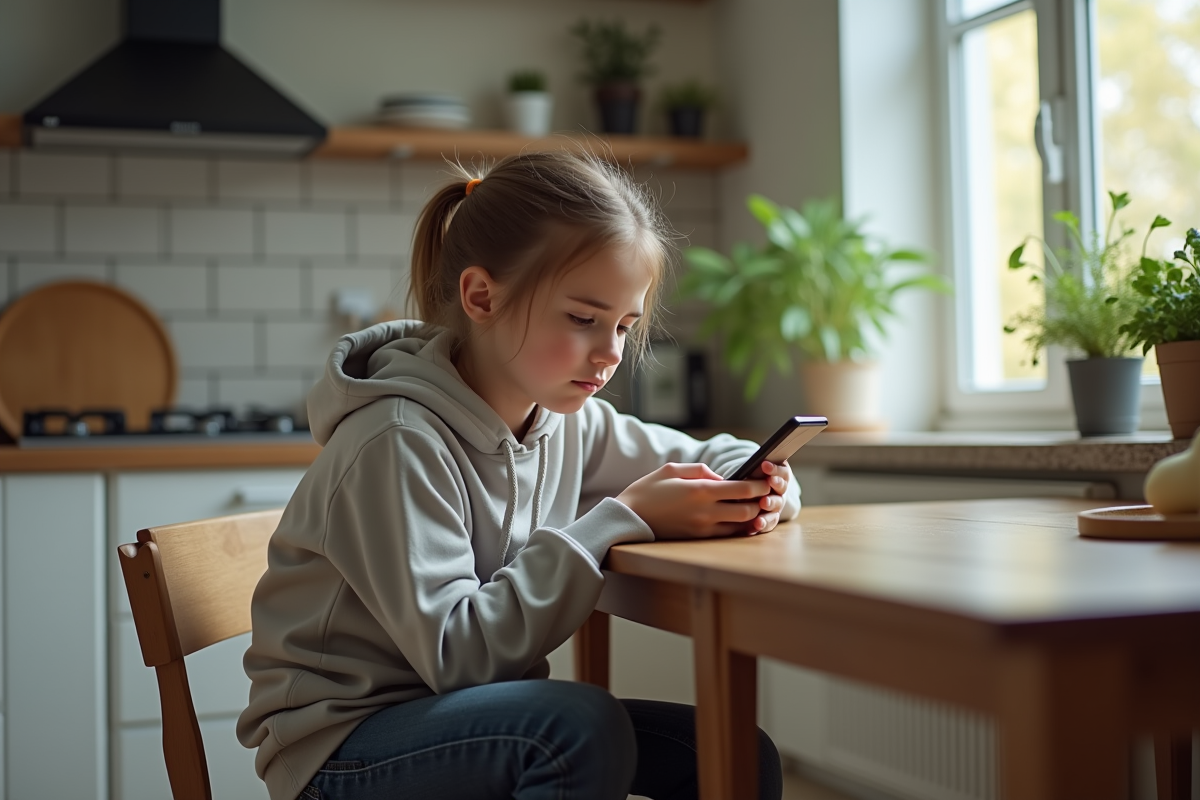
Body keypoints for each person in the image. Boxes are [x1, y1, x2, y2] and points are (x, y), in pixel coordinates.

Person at [237, 151, 800, 800]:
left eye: (624, 325)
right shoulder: (395, 441)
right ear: (482, 296)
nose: (612, 353)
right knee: (576, 730)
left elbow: (727, 452)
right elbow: (460, 657)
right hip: (342, 751)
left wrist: (763, 484)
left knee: (733, 754)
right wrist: (620, 520)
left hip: (475, 718)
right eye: (584, 319)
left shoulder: (567, 422)